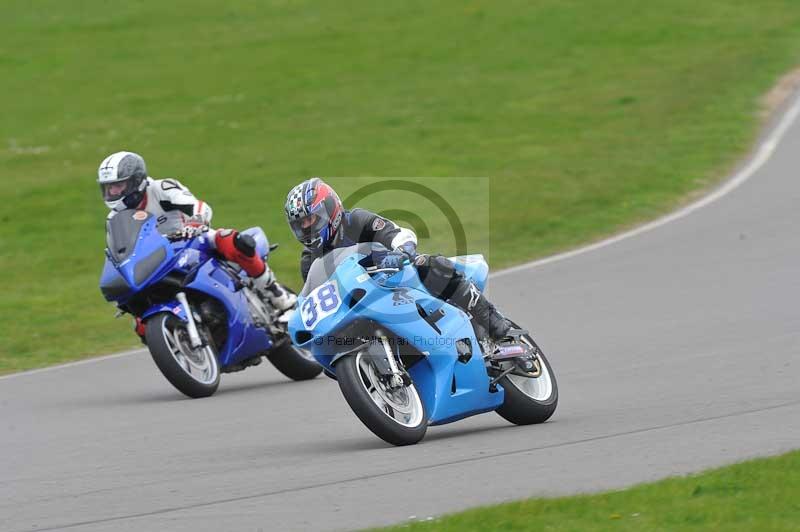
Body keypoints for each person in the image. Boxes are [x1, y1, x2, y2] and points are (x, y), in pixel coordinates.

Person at [284, 177, 511, 341]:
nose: (307, 228)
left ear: (330, 208)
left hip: (396, 278)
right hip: (361, 305)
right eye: (300, 225)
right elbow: (319, 301)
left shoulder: (357, 221)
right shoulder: (309, 261)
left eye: (311, 219)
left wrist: (403, 251)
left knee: (429, 264)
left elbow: (395, 233)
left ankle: (489, 317)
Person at [98, 151, 296, 318]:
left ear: (136, 180)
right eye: (108, 188)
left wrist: (196, 222)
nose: (112, 192)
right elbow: (119, 251)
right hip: (156, 260)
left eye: (118, 186)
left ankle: (275, 293)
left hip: (190, 239)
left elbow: (198, 206)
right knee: (138, 316)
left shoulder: (161, 188)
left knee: (229, 239)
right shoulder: (113, 218)